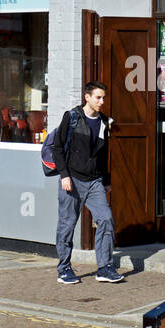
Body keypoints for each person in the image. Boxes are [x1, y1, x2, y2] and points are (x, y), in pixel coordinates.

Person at [51, 81, 124, 285]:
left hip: (94, 181)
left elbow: (103, 154)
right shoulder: (72, 117)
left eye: (103, 98)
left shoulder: (102, 121)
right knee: (67, 224)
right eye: (98, 97)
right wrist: (64, 175)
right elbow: (57, 147)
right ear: (87, 97)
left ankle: (104, 267)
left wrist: (106, 180)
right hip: (72, 179)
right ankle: (64, 268)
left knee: (106, 219)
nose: (102, 101)